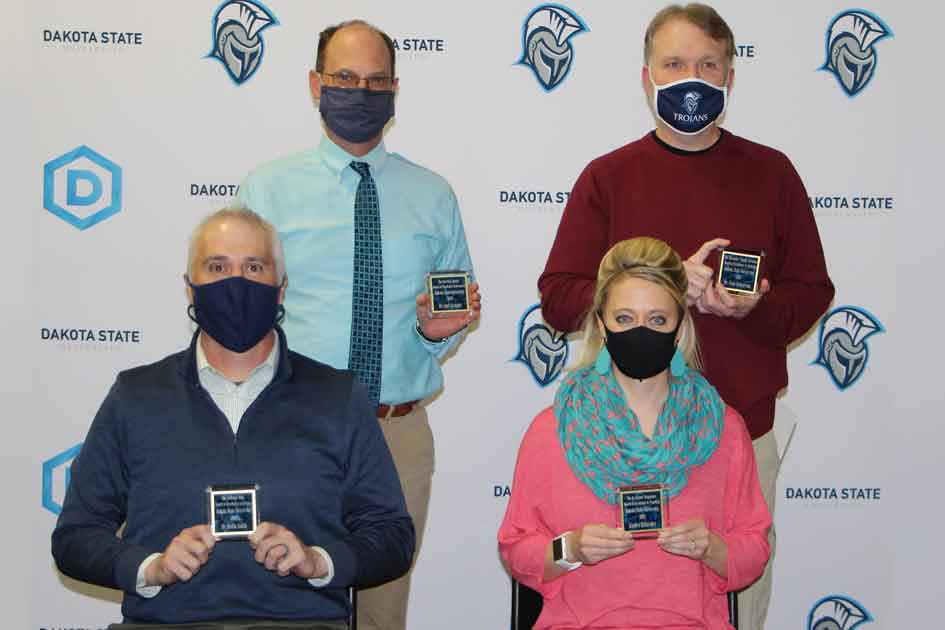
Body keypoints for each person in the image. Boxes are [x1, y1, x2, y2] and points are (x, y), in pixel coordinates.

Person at [537, 5, 834, 627]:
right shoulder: (608, 177)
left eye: (707, 64)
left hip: (741, 436)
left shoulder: (772, 172)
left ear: (730, 75)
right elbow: (560, 297)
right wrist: (663, 280)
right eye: (674, 64)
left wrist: (758, 305)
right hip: (619, 439)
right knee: (620, 598)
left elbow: (813, 291)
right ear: (647, 77)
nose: (690, 77)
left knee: (739, 592)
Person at [51, 207, 414, 629]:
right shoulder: (135, 396)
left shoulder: (338, 396)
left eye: (254, 267)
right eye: (217, 266)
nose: (236, 282)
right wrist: (150, 568)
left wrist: (319, 561)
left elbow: (392, 536)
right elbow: (74, 537)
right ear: (190, 288)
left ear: (281, 289)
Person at [238, 19, 480, 630]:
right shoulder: (267, 189)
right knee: (284, 600)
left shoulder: (433, 195)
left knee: (382, 611)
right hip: (293, 426)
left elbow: (447, 315)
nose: (360, 91)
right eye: (345, 77)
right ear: (316, 84)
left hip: (395, 432)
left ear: (395, 89)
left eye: (375, 80)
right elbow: (237, 313)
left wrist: (436, 330)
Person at [501, 237, 771, 630]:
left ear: (679, 330)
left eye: (657, 320)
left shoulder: (723, 429)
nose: (640, 331)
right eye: (624, 319)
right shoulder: (554, 430)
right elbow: (518, 552)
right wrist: (572, 549)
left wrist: (711, 548)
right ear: (601, 325)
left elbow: (753, 552)